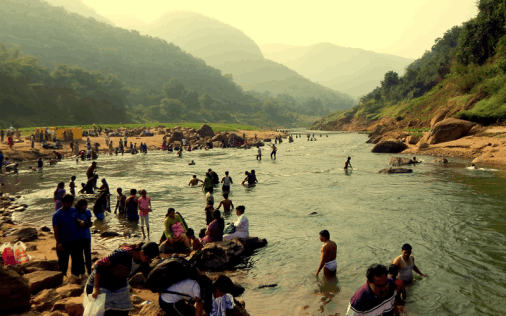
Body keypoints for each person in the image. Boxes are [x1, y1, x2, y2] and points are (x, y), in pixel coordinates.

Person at [86, 242, 160, 316]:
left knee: (124, 310)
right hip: (99, 283)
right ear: (142, 252)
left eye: (150, 260)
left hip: (117, 284)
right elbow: (99, 264)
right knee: (104, 312)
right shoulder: (123, 254)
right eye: (147, 258)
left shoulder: (144, 263)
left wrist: (161, 290)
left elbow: (150, 279)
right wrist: (95, 288)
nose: (148, 261)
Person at [52, 194, 84, 278]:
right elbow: (55, 231)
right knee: (63, 263)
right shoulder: (56, 215)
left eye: (71, 203)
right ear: (62, 202)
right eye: (68, 203)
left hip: (75, 240)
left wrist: (80, 223)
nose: (70, 205)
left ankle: (75, 278)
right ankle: (63, 278)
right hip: (63, 242)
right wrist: (58, 243)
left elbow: (76, 220)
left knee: (76, 261)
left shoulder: (74, 210)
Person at [76, 199, 93, 275]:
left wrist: (85, 223)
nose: (85, 207)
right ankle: (82, 272)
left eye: (86, 205)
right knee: (80, 255)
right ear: (79, 206)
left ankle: (89, 270)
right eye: (84, 205)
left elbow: (90, 223)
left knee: (88, 254)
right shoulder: (75, 213)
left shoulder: (87, 212)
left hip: (86, 236)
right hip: (78, 237)